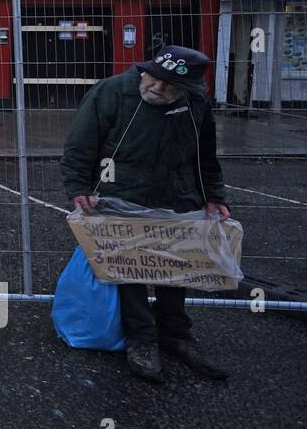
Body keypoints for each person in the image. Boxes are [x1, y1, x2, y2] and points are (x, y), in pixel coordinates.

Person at [60, 47, 230, 384]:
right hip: (123, 194)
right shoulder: (110, 92)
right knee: (131, 270)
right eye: (155, 79)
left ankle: (175, 333)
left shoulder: (194, 102)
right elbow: (81, 144)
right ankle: (141, 339)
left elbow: (205, 155)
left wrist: (214, 195)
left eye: (169, 86)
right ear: (146, 70)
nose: (157, 89)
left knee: (176, 266)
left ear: (186, 89)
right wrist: (78, 185)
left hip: (178, 197)